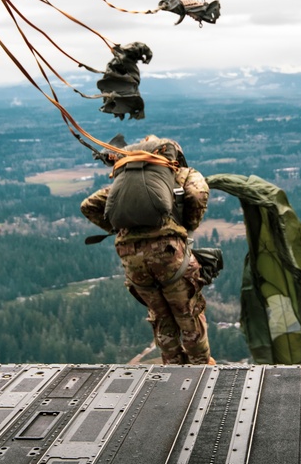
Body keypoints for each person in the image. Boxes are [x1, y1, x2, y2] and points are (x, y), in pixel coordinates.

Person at [80, 135, 215, 365]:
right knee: (187, 313)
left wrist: (123, 229)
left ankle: (173, 369)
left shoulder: (125, 182)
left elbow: (89, 205)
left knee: (161, 317)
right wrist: (188, 225)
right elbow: (197, 194)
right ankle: (202, 370)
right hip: (169, 255)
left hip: (131, 259)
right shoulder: (180, 175)